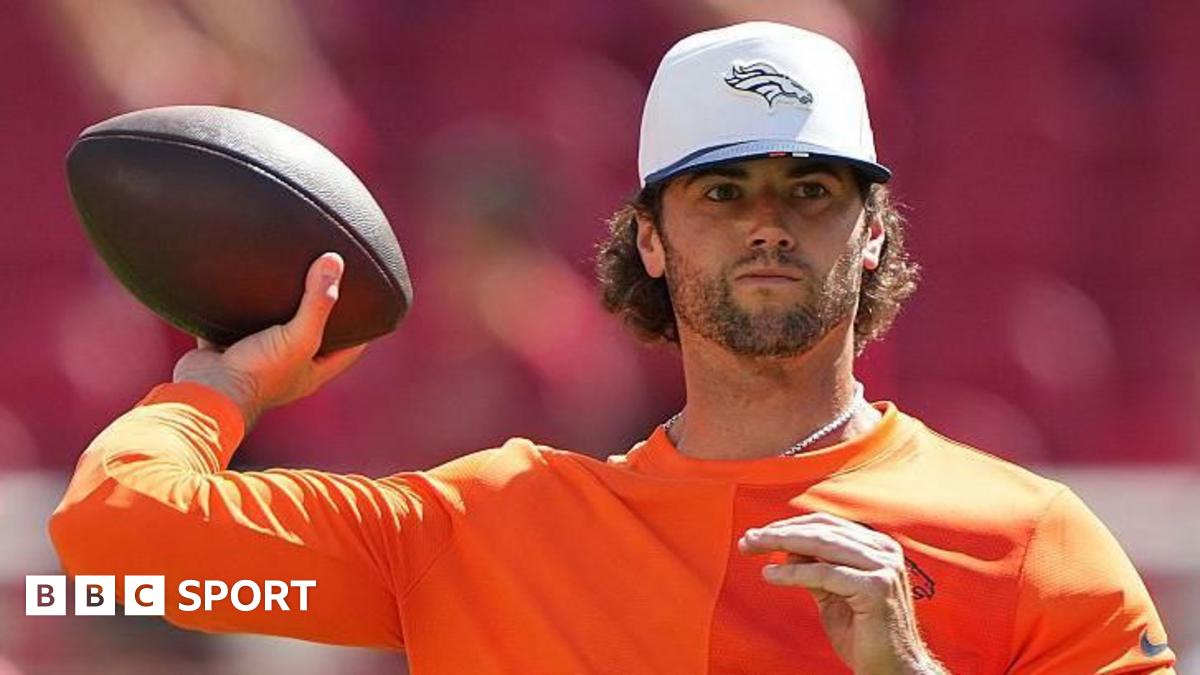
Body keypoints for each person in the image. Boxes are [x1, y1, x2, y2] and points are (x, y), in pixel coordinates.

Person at [49, 22, 1175, 675]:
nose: (768, 222)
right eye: (722, 191)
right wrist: (225, 381)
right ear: (648, 238)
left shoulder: (1031, 545)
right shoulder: (485, 531)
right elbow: (116, 543)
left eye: (813, 192)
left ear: (874, 233)